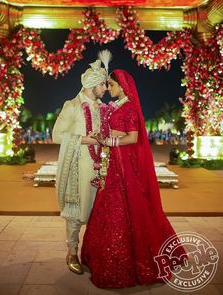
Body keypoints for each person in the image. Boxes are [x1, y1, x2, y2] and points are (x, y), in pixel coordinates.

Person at [81, 69, 187, 288]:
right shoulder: (115, 105)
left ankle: (133, 261)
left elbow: (133, 137)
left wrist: (109, 142)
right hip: (112, 162)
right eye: (107, 85)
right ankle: (105, 256)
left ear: (122, 85)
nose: (108, 88)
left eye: (111, 85)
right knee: (109, 206)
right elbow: (114, 130)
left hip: (123, 163)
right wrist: (105, 137)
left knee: (128, 205)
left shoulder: (128, 107)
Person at [52, 58, 107, 275]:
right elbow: (56, 135)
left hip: (100, 167)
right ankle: (72, 252)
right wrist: (86, 140)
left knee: (99, 212)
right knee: (75, 212)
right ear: (93, 85)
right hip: (78, 168)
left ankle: (92, 253)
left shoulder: (104, 108)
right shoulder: (72, 106)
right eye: (102, 84)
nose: (105, 88)